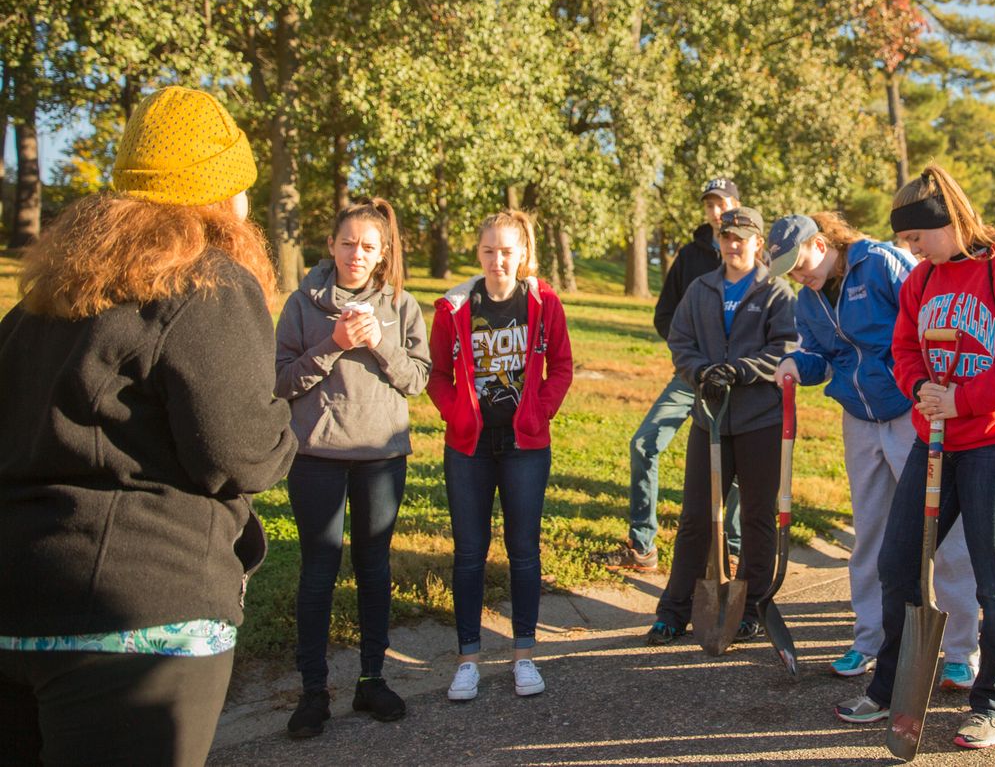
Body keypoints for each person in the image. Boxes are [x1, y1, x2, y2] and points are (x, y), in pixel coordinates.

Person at [0, 86, 296, 766]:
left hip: (16, 606)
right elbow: (239, 450)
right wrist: (283, 426)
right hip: (134, 622)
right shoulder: (208, 282)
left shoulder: (50, 295)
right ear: (225, 197)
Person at [834, 164, 995, 752]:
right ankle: (890, 687)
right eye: (905, 241)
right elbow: (902, 346)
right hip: (937, 442)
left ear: (951, 221)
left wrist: (961, 398)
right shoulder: (922, 280)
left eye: (917, 238)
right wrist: (919, 392)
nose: (912, 250)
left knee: (994, 577)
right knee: (898, 561)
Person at [767, 213, 980, 688]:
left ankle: (962, 649)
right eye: (790, 271)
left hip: (912, 410)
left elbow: (930, 315)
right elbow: (822, 357)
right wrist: (796, 364)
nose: (798, 275)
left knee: (940, 530)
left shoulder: (882, 262)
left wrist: (932, 387)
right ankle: (870, 640)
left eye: (799, 262)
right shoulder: (808, 300)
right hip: (860, 419)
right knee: (870, 534)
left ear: (820, 243)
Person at [275, 198, 431, 737]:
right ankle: (313, 691)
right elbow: (281, 381)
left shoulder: (401, 304)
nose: (356, 254)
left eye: (368, 246)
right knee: (318, 571)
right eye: (348, 243)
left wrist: (379, 342)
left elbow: (416, 380)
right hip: (317, 454)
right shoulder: (301, 303)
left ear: (383, 252)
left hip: (381, 458)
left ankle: (372, 680)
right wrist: (334, 344)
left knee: (373, 569)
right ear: (332, 246)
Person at [427, 209, 572, 702]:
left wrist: (539, 412)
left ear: (523, 254)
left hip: (525, 446)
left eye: (507, 251)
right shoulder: (454, 308)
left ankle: (524, 655)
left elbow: (562, 367)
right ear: (478, 254)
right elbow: (436, 374)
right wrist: (456, 415)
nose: (498, 261)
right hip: (468, 446)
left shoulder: (543, 303)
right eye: (489, 251)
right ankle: (468, 659)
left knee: (524, 550)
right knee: (469, 553)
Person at [648, 206, 798, 645]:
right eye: (727, 236)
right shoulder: (701, 289)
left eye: (742, 237)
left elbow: (786, 346)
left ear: (757, 242)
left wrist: (742, 370)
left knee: (756, 518)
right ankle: (674, 610)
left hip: (759, 421)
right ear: (719, 240)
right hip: (709, 418)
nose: (733, 244)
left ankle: (750, 607)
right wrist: (702, 372)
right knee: (695, 517)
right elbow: (681, 341)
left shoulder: (776, 292)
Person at [602, 178, 742, 571]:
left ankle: (732, 547)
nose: (715, 212)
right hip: (691, 375)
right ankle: (643, 546)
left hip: (734, 381)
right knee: (644, 443)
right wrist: (689, 354)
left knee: (732, 461)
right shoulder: (691, 256)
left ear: (736, 204)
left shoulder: (752, 258)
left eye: (721, 203)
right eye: (709, 205)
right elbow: (664, 314)